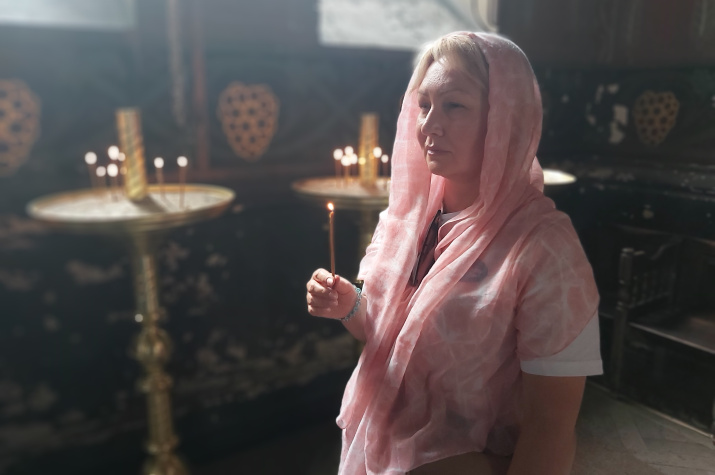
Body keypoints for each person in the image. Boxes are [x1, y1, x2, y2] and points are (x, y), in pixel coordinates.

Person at [306, 31, 601, 475]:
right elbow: (386, 337)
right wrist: (350, 305)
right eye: (424, 105)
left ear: (505, 119)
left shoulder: (543, 248)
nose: (428, 125)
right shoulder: (408, 219)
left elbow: (551, 429)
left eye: (454, 106)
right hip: (375, 451)